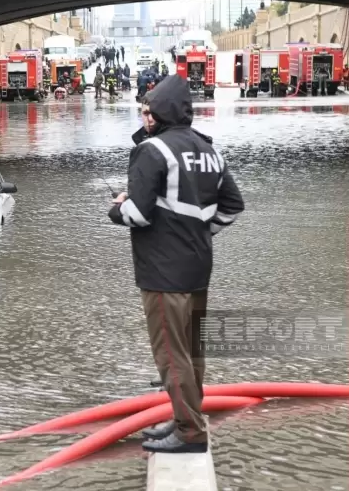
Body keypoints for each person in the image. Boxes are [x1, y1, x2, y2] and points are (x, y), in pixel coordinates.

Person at [108, 75, 244, 453]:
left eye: (148, 110)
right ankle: (187, 417)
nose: (144, 116)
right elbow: (233, 207)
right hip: (199, 267)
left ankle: (189, 432)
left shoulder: (152, 151)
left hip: (163, 273)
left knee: (171, 354)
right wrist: (201, 232)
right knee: (191, 352)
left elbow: (137, 213)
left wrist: (116, 208)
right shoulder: (209, 150)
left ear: (161, 113)